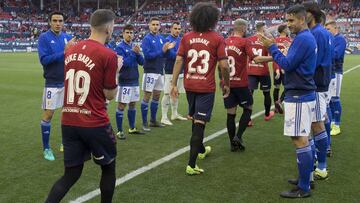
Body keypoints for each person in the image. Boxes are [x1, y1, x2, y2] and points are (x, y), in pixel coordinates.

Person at [45, 9, 121, 202]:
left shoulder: (70, 51)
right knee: (108, 167)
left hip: (69, 121)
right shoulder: (109, 55)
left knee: (70, 174)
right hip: (94, 121)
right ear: (109, 27)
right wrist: (117, 71)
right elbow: (110, 95)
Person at [259, 4, 317, 198]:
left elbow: (287, 64)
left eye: (292, 20)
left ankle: (304, 187)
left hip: (299, 95)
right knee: (304, 138)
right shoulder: (304, 38)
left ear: (303, 19)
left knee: (299, 140)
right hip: (303, 92)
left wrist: (272, 47)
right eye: (287, 20)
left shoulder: (303, 39)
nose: (288, 24)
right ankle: (305, 179)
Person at [170, 2, 230, 175]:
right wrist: (226, 83)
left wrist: (174, 83)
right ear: (213, 19)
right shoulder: (217, 38)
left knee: (196, 120)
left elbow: (179, 60)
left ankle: (201, 150)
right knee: (199, 123)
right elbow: (224, 66)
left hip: (189, 85)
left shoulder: (187, 37)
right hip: (205, 87)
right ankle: (191, 164)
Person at [224, 19, 272, 152]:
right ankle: (238, 137)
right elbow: (256, 59)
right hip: (240, 82)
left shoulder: (225, 41)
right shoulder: (245, 42)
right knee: (248, 108)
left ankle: (232, 144)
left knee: (231, 114)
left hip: (227, 83)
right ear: (244, 29)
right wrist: (274, 58)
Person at [37, 11, 75, 161]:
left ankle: (64, 143)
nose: (58, 23)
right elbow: (44, 60)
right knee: (48, 115)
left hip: (67, 82)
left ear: (64, 22)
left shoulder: (67, 37)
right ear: (50, 22)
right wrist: (64, 52)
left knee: (67, 114)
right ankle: (46, 148)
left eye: (60, 21)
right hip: (52, 83)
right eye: (55, 20)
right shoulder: (44, 38)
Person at [303, 1, 333, 180]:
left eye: (303, 13)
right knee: (313, 124)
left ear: (311, 14)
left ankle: (321, 167)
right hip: (318, 84)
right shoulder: (319, 32)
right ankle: (316, 163)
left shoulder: (317, 33)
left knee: (316, 124)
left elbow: (315, 62)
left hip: (316, 84)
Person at [115, 24, 145, 140]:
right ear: (123, 34)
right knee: (122, 105)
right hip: (124, 82)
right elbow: (123, 65)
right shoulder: (119, 48)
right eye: (127, 32)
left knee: (132, 104)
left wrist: (138, 53)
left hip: (134, 80)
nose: (129, 35)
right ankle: (119, 131)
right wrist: (133, 53)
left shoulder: (134, 46)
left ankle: (132, 128)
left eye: (131, 33)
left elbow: (142, 63)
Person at [247, 22, 275, 125]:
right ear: (263, 29)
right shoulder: (266, 39)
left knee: (250, 94)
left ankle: (248, 119)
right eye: (266, 28)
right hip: (263, 70)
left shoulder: (249, 39)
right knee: (266, 93)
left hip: (250, 70)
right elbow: (273, 52)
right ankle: (267, 114)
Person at [160, 22, 187, 126]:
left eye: (179, 28)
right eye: (175, 28)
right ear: (171, 29)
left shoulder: (181, 40)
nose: (177, 30)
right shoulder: (167, 40)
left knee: (176, 93)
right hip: (170, 71)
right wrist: (180, 55)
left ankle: (174, 114)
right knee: (167, 93)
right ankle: (164, 117)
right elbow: (171, 56)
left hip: (180, 71)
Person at [325, 20, 346, 136]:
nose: (327, 31)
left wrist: (325, 51)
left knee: (335, 98)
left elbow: (337, 54)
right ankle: (333, 121)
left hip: (336, 71)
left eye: (328, 29)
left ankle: (337, 124)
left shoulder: (340, 39)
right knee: (329, 98)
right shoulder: (331, 39)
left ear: (335, 28)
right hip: (329, 71)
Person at [272, 24, 291, 114]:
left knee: (276, 87)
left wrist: (277, 69)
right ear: (283, 30)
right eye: (287, 28)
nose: (288, 29)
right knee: (287, 87)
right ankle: (279, 102)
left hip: (276, 66)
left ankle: (276, 106)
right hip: (285, 67)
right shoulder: (289, 41)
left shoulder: (275, 41)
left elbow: (274, 55)